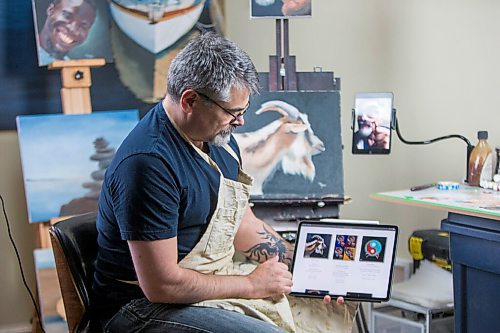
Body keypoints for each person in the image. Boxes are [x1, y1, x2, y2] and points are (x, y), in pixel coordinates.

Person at [92, 32, 355, 333]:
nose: (240, 122)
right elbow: (161, 285)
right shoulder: (148, 163)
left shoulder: (218, 139)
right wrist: (250, 285)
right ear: (190, 100)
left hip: (209, 278)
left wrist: (312, 268)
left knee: (327, 310)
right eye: (234, 112)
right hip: (140, 308)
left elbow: (242, 224)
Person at [37, 0, 96, 65]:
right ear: (51, 10)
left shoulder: (75, 66)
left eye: (83, 26)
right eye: (67, 16)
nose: (73, 29)